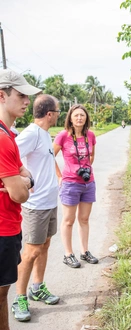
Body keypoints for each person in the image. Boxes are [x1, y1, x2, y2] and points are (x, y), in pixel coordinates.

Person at [11, 94, 61, 322]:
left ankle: (37, 287)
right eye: (59, 111)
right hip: (36, 205)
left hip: (49, 202)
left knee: (44, 246)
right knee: (31, 252)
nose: (59, 115)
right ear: (49, 114)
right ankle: (19, 298)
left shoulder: (44, 133)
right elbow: (11, 156)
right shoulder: (31, 133)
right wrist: (24, 180)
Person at [0, 69, 41, 330]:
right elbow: (19, 193)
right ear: (1, 96)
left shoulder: (10, 134)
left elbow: (25, 176)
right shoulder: (3, 139)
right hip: (3, 229)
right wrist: (23, 183)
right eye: (21, 95)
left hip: (9, 226)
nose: (27, 101)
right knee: (1, 296)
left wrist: (23, 179)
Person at [53, 104, 98, 268]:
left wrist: (86, 169)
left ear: (86, 118)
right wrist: (60, 175)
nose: (79, 118)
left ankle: (84, 251)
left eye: (82, 115)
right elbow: (49, 156)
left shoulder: (90, 135)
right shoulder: (63, 136)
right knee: (68, 220)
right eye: (76, 115)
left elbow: (91, 155)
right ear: (70, 118)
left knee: (84, 219)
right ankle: (68, 254)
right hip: (70, 183)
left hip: (88, 183)